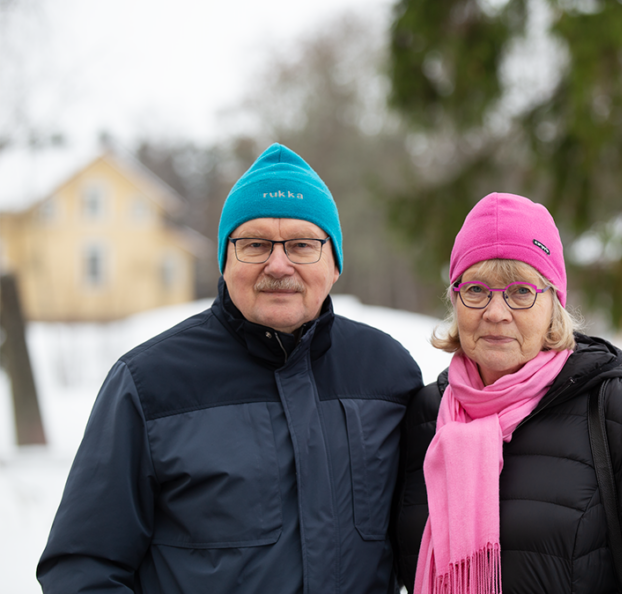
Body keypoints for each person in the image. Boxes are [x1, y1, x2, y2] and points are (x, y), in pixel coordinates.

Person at [37, 143, 424, 593]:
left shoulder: (388, 374)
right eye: (255, 244)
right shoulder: (148, 385)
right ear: (225, 261)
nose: (278, 264)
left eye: (303, 244)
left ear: (334, 263)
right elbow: (83, 567)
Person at [393, 192, 622, 593]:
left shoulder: (620, 415)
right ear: (455, 299)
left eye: (521, 291)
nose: (496, 312)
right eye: (476, 289)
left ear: (554, 305)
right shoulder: (425, 416)